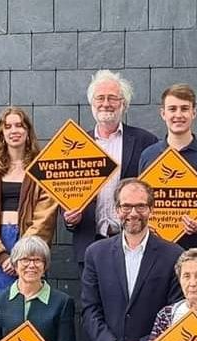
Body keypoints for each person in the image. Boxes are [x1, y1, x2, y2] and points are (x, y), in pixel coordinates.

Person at [64, 70, 159, 266]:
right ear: (92, 103)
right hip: (90, 244)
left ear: (123, 104)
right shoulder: (75, 146)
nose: (105, 103)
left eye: (112, 98)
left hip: (133, 242)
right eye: (100, 98)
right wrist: (69, 218)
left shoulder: (146, 142)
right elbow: (63, 191)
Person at [81, 178, 184, 341]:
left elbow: (175, 312)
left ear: (151, 209)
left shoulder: (174, 255)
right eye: (126, 206)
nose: (133, 213)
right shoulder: (96, 253)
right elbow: (90, 309)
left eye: (141, 206)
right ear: (117, 209)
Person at [0, 107, 59, 293]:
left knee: (29, 305)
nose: (14, 130)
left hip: (28, 243)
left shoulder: (43, 171)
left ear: (28, 132)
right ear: (1, 133)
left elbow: (45, 218)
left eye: (19, 125)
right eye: (8, 126)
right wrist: (1, 256)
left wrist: (23, 255)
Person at [137, 84, 197, 250]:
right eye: (172, 109)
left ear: (194, 113)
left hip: (196, 251)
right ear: (163, 113)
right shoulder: (148, 156)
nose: (178, 115)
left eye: (184, 109)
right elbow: (140, 202)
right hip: (155, 251)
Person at [0, 236, 76, 341]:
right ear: (15, 265)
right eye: (25, 260)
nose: (31, 265)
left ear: (45, 266)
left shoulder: (62, 302)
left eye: (37, 260)